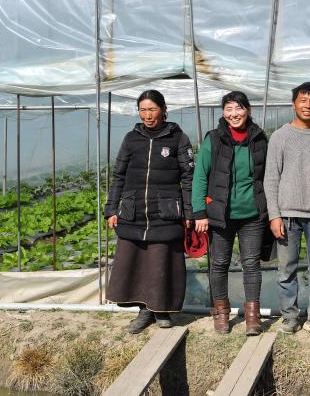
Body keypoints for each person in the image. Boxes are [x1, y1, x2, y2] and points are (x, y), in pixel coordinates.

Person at [105, 90, 194, 333]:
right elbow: (118, 175)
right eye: (143, 110)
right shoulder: (131, 139)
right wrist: (111, 208)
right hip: (133, 210)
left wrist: (189, 212)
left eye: (152, 109)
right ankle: (144, 311)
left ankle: (162, 311)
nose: (147, 115)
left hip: (166, 211)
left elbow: (188, 177)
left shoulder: (178, 138)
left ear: (164, 110)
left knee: (161, 262)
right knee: (136, 261)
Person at [191, 91, 269, 335]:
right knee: (219, 263)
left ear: (248, 110)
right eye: (229, 109)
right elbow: (200, 177)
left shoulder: (259, 139)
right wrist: (199, 212)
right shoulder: (213, 139)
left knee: (251, 264)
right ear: (223, 113)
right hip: (220, 214)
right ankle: (221, 312)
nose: (234, 114)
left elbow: (267, 175)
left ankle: (253, 316)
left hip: (252, 214)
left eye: (238, 108)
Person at [265, 81, 310, 338]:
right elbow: (271, 178)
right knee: (286, 270)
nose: (308, 105)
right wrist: (274, 215)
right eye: (303, 100)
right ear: (293, 104)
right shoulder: (280, 136)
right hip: (288, 215)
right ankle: (290, 317)